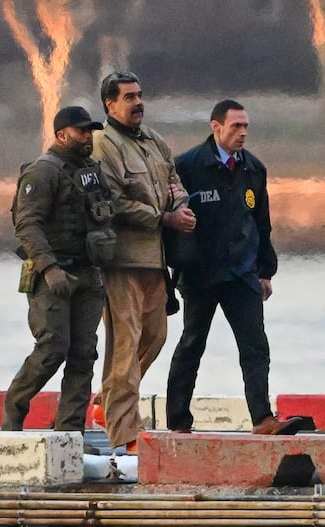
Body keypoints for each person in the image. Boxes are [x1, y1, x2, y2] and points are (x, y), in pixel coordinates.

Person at [165, 99, 302, 435]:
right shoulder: (188, 166)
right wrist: (173, 270)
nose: (242, 133)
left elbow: (261, 222)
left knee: (255, 345)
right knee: (192, 343)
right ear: (216, 127)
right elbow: (171, 224)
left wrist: (266, 270)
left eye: (245, 127)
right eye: (235, 126)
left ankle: (262, 419)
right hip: (201, 273)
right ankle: (178, 421)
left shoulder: (253, 168)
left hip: (242, 272)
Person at [90, 71, 195, 453]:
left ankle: (107, 400)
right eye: (129, 97)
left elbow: (175, 182)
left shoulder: (154, 142)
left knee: (156, 335)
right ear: (110, 104)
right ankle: (125, 434)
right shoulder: (104, 144)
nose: (138, 102)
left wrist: (179, 205)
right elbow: (113, 201)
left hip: (156, 259)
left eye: (140, 94)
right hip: (122, 260)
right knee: (125, 342)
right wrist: (162, 217)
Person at [1, 106, 112, 439]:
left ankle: (70, 428)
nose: (88, 136)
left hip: (89, 274)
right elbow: (27, 224)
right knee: (52, 348)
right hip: (54, 276)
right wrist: (49, 268)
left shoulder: (92, 170)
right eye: (81, 131)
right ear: (62, 135)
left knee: (83, 354)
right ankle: (13, 412)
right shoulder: (43, 172)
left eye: (90, 131)